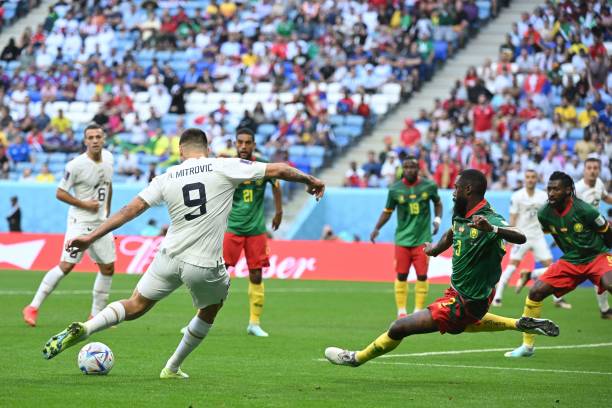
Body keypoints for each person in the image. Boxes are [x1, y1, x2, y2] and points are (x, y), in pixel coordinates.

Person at [41, 128, 325, 379]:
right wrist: (309, 179)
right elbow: (278, 169)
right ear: (208, 148)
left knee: (136, 303)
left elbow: (130, 210)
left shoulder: (165, 177)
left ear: (180, 151)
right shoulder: (222, 165)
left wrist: (90, 236)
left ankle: (88, 327)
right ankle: (172, 367)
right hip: (203, 263)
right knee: (211, 308)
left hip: (168, 255)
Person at [325, 170, 559, 368]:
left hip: (466, 299)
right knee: (460, 325)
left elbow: (520, 236)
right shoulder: (463, 217)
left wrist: (492, 229)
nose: (453, 192)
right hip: (463, 296)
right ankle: (518, 323)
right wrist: (435, 250)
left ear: (468, 190)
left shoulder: (488, 218)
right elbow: (452, 232)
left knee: (399, 327)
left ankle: (356, 358)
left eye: (456, 188)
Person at [505, 172, 612, 358]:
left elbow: (607, 231)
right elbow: (556, 235)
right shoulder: (544, 213)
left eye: (556, 189)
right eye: (549, 189)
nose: (551, 193)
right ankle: (527, 346)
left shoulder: (585, 210)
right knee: (535, 292)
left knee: (610, 283)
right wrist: (569, 256)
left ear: (568, 190)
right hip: (571, 260)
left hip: (597, 256)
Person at [22, 124, 115, 327]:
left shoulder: (109, 159)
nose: (95, 140)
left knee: (108, 268)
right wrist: (85, 205)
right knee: (66, 265)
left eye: (98, 136)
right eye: (90, 137)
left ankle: (96, 315)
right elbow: (60, 192)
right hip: (79, 222)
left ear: (104, 138)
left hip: (101, 223)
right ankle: (33, 307)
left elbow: (109, 185)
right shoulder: (75, 166)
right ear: (85, 141)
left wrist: (107, 212)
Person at [222, 128, 284, 337]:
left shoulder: (262, 166)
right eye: (240, 142)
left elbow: (276, 184)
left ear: (254, 145)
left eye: (248, 143)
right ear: (235, 144)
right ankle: (201, 319)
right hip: (232, 228)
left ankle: (254, 323)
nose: (244, 147)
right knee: (219, 274)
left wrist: (279, 211)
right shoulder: (227, 166)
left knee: (256, 273)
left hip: (256, 229)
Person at [370, 156, 443, 318]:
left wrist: (437, 220)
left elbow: (438, 203)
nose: (410, 169)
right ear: (403, 169)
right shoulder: (395, 189)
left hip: (422, 239)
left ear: (418, 169)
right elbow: (387, 211)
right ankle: (401, 311)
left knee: (422, 275)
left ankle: (417, 310)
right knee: (401, 275)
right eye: (407, 167)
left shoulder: (429, 186)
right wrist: (377, 228)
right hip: (402, 239)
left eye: (413, 167)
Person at [494, 169, 571, 309]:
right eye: (528, 177)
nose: (530, 179)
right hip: (521, 236)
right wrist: (510, 235)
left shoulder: (543, 196)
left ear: (537, 179)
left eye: (533, 177)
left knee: (551, 267)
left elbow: (550, 214)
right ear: (525, 179)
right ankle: (497, 297)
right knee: (511, 267)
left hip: (538, 236)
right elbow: (513, 217)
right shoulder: (517, 196)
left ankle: (558, 299)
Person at [574, 158, 612, 319]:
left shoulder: (599, 184)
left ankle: (604, 309)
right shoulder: (577, 189)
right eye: (589, 168)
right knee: (579, 270)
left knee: (601, 270)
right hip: (582, 237)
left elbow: (604, 197)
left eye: (595, 168)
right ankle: (536, 274)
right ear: (584, 170)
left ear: (599, 169)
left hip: (597, 235)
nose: (592, 171)